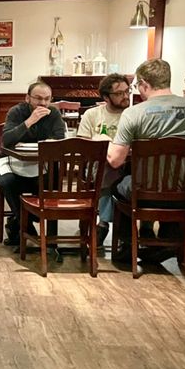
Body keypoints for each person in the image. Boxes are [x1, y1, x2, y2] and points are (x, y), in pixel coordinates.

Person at [107, 59, 185, 258]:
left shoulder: (133, 113)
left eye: (137, 86)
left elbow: (116, 161)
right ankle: (172, 240)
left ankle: (127, 246)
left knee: (118, 185)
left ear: (144, 84)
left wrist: (104, 141)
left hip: (144, 193)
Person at [0, 81, 66, 246]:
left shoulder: (53, 113)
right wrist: (29, 121)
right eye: (38, 99)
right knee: (8, 182)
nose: (43, 103)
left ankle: (27, 227)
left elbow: (60, 137)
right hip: (9, 161)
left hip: (39, 163)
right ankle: (25, 223)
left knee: (52, 181)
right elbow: (7, 140)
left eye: (47, 99)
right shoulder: (16, 112)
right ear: (28, 98)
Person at [77, 73, 131, 243]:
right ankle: (107, 224)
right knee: (109, 168)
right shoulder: (92, 115)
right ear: (106, 97)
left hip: (132, 163)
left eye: (127, 91)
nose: (125, 96)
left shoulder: (134, 114)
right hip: (100, 164)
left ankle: (112, 225)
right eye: (119, 93)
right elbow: (83, 145)